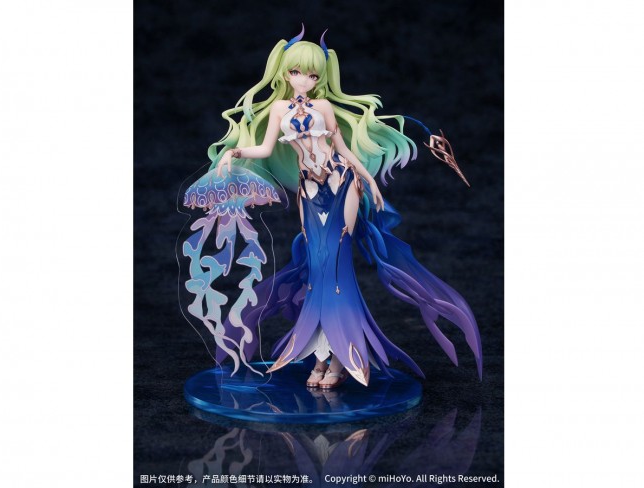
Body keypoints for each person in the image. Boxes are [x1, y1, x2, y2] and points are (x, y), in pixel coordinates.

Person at [182, 26, 482, 389]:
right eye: (297, 72)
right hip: (309, 192)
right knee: (317, 268)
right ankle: (321, 355)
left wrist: (370, 182)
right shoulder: (278, 109)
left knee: (337, 265)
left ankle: (342, 359)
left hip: (341, 184)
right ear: (284, 73)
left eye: (312, 74)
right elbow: (264, 149)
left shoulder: (324, 107)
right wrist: (234, 151)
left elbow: (342, 149)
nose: (304, 80)